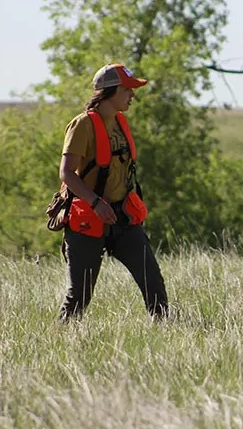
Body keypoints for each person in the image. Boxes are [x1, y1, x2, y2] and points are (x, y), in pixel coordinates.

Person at [57, 63, 168, 321]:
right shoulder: (82, 125)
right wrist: (96, 203)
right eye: (128, 89)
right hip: (89, 218)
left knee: (153, 282)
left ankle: (167, 333)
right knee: (79, 296)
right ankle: (61, 339)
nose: (132, 95)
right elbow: (67, 174)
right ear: (111, 90)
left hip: (122, 219)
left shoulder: (120, 123)